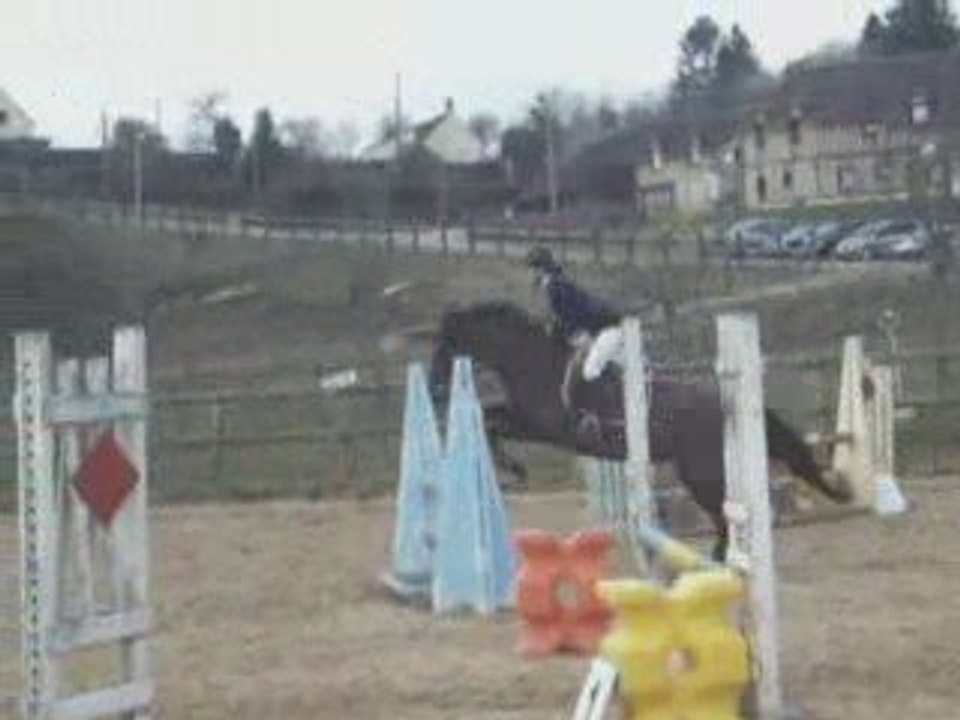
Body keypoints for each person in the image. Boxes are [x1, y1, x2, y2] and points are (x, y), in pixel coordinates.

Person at [525, 246, 624, 393]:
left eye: (531, 269)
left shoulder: (554, 286)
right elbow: (564, 319)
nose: (529, 274)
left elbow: (569, 318)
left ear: (539, 269)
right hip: (601, 330)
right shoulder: (556, 283)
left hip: (608, 330)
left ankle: (608, 408)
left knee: (590, 372)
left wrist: (559, 332)